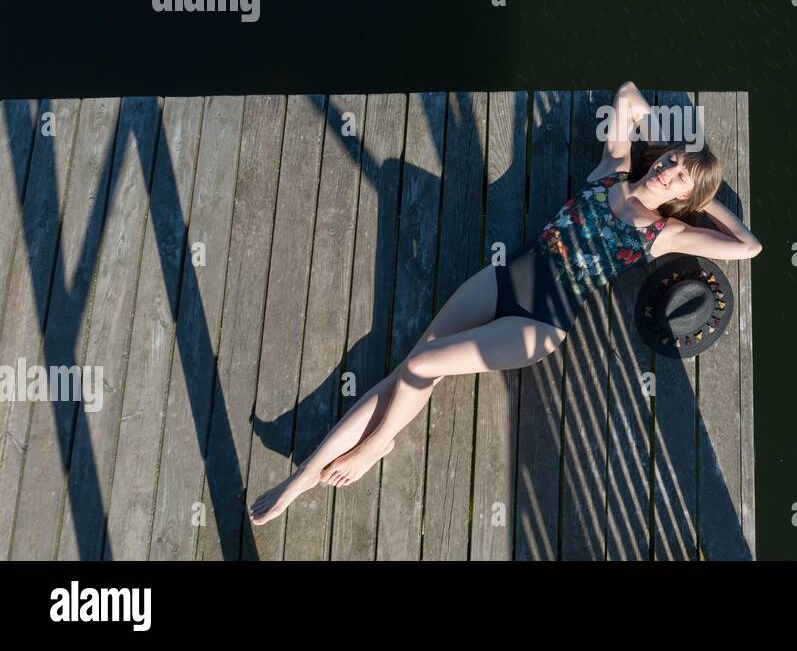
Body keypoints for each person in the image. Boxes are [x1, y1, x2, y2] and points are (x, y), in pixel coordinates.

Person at [249, 80, 761, 526]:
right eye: (670, 161)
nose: (667, 172)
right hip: (506, 278)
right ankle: (301, 481)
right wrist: (675, 155)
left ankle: (371, 447)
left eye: (677, 178)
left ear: (683, 198)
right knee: (407, 370)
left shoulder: (665, 232)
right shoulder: (613, 168)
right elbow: (627, 94)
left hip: (540, 324)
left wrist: (701, 194)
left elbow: (747, 246)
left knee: (425, 365)